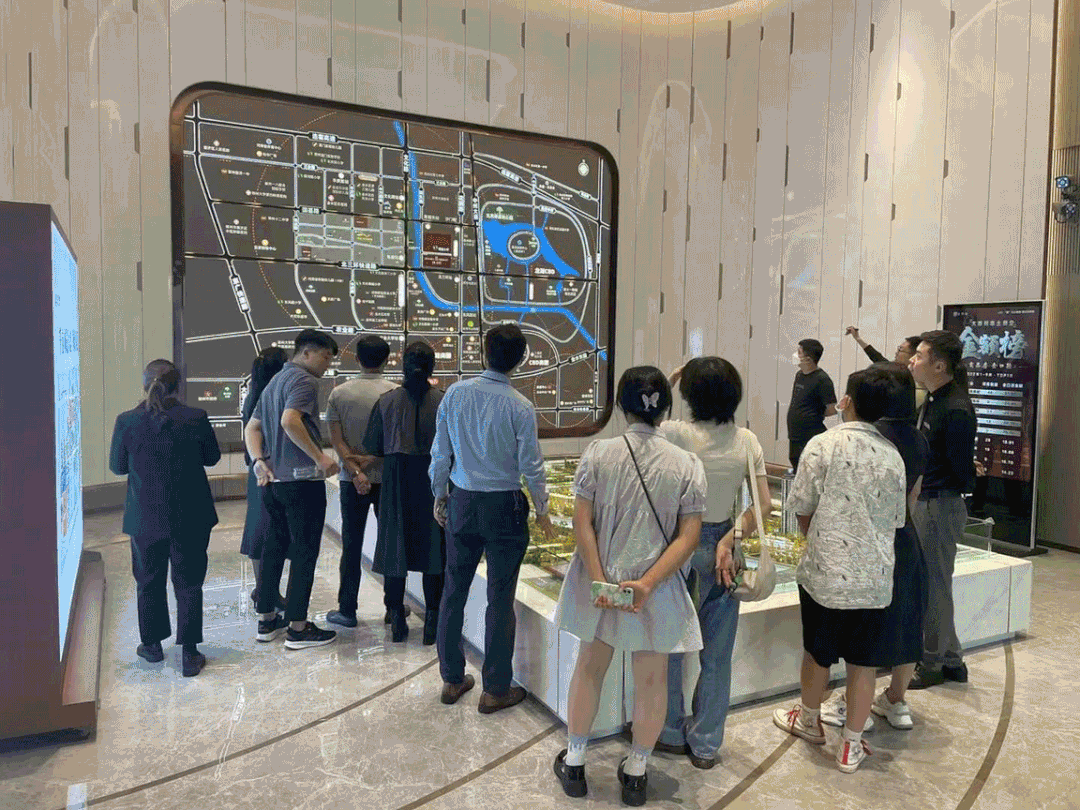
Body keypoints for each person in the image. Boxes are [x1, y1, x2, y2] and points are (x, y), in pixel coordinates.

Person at [552, 367, 706, 806]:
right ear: (666, 409)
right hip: (655, 589)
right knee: (652, 681)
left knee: (589, 668)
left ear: (620, 405)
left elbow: (583, 522)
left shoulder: (599, 454)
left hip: (601, 582)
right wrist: (648, 584)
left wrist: (599, 577)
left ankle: (575, 762)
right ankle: (636, 773)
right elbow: (688, 536)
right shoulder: (687, 464)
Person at [772, 366, 906, 774]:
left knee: (817, 653)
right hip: (874, 578)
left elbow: (802, 506)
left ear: (846, 401)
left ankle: (809, 721)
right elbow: (896, 519)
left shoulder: (822, 445)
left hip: (825, 574)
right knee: (864, 663)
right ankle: (850, 745)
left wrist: (820, 540)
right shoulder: (893, 455)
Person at [429, 323, 556, 713]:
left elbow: (440, 453)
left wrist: (440, 494)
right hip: (505, 507)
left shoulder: (455, 394)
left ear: (484, 352)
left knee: (454, 591)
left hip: (463, 500)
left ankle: (452, 679)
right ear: (520, 360)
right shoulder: (521, 406)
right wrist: (543, 510)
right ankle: (496, 688)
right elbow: (531, 466)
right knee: (500, 598)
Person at [654, 357, 771, 770]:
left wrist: (668, 380)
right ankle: (705, 744)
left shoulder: (674, 433)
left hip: (678, 548)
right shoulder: (747, 440)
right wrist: (730, 539)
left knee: (671, 648)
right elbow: (764, 505)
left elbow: (642, 422)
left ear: (689, 395)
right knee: (717, 656)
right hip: (725, 551)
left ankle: (668, 731)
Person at [819, 363, 929, 731]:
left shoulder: (869, 438)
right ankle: (896, 700)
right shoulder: (918, 439)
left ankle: (853, 709)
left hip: (869, 541)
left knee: (863, 634)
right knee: (907, 622)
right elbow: (912, 497)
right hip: (906, 538)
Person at [108, 359, 221, 677]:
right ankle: (189, 653)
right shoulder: (196, 417)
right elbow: (212, 458)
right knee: (189, 583)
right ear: (177, 386)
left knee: (148, 581)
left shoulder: (127, 421)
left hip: (145, 518)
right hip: (192, 516)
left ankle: (152, 646)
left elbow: (117, 466)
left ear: (144, 385)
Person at [244, 329, 341, 651]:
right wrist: (320, 457)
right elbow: (289, 421)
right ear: (307, 353)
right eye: (325, 357)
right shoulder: (304, 380)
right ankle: (298, 628)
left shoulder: (274, 381)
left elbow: (252, 427)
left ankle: (267, 620)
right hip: (302, 483)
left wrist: (259, 461)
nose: (327, 365)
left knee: (273, 549)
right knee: (304, 554)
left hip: (275, 484)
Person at [362, 341, 446, 645]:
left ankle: (396, 615)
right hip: (432, 483)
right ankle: (433, 619)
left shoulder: (386, 402)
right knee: (434, 551)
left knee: (394, 549)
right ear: (432, 366)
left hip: (395, 483)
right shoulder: (444, 401)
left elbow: (373, 446)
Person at [907, 330, 977, 689]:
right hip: (929, 501)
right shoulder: (933, 400)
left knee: (933, 587)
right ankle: (951, 660)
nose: (912, 360)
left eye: (919, 355)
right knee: (936, 584)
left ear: (939, 365)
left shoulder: (955, 408)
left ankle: (931, 662)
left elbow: (960, 466)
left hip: (940, 504)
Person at [324, 335, 397, 629]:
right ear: (387, 359)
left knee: (351, 546)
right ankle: (393, 608)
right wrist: (372, 462)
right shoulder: (395, 393)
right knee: (391, 544)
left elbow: (336, 439)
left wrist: (355, 471)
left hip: (351, 481)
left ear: (356, 359)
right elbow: (395, 442)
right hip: (387, 480)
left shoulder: (339, 393)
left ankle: (347, 610)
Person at [240, 347, 289, 612]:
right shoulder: (271, 398)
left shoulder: (253, 396)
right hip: (270, 471)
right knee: (267, 532)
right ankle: (266, 591)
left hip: (257, 470)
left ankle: (263, 589)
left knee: (259, 529)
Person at [786, 338, 837, 471]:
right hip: (794, 434)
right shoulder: (799, 375)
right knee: (796, 464)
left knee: (810, 469)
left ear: (808, 359)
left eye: (799, 353)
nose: (795, 355)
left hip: (810, 435)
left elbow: (832, 409)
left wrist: (813, 414)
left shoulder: (822, 379)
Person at [846, 327, 927, 409]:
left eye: (900, 349)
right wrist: (858, 338)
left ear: (913, 355)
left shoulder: (921, 382)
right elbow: (877, 358)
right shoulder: (897, 373)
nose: (896, 353)